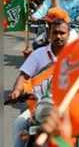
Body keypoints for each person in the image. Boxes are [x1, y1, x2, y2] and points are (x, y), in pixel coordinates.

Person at [10, 19, 69, 147]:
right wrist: (17, 91)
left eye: (62, 33)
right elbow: (23, 76)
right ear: (49, 34)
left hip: (68, 107)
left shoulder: (76, 55)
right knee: (19, 122)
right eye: (55, 32)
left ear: (68, 34)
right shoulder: (38, 55)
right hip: (38, 107)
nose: (58, 36)